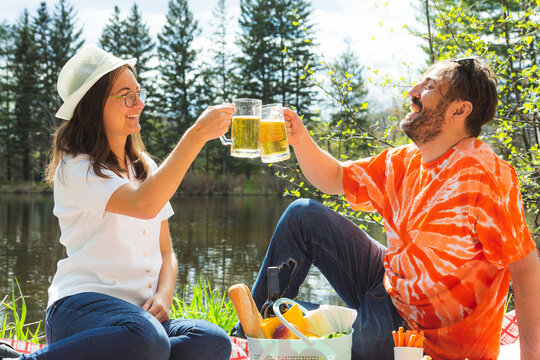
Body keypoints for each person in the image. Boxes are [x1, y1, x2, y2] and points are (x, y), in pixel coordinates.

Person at [248, 57, 540, 360]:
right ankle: (254, 329)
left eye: (429, 87)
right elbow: (335, 176)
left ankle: (314, 322)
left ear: (459, 110)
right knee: (302, 215)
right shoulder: (403, 161)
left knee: (367, 345)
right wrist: (300, 139)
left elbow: (525, 266)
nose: (412, 91)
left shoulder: (485, 175)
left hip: (429, 341)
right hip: (388, 283)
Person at [12, 45, 234, 360]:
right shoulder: (77, 167)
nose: (139, 104)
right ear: (94, 104)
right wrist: (197, 134)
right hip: (79, 311)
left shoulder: (143, 166)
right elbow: (143, 204)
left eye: (138, 93)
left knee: (212, 341)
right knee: (147, 338)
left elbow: (166, 251)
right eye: (127, 95)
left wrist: (163, 296)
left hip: (138, 319)